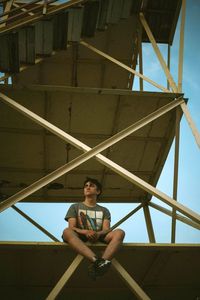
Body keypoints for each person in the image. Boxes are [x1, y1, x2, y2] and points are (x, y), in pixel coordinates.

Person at [62, 177, 125, 279]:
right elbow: (72, 227)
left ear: (98, 191)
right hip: (81, 236)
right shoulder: (75, 206)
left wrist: (98, 234)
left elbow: (106, 229)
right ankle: (96, 261)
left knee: (120, 232)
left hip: (99, 236)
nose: (88, 187)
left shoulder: (104, 210)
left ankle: (103, 262)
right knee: (66, 231)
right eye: (86, 186)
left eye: (91, 186)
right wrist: (86, 231)